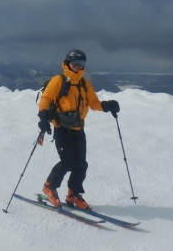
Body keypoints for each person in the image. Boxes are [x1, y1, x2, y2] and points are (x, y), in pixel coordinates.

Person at [37, 49, 120, 210]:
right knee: (67, 162)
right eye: (75, 63)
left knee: (81, 164)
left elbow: (93, 103)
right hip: (62, 128)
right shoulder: (58, 80)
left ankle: (73, 194)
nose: (78, 66)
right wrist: (43, 118)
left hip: (78, 129)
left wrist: (107, 106)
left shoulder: (84, 83)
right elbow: (46, 98)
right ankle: (49, 186)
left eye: (81, 64)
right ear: (68, 62)